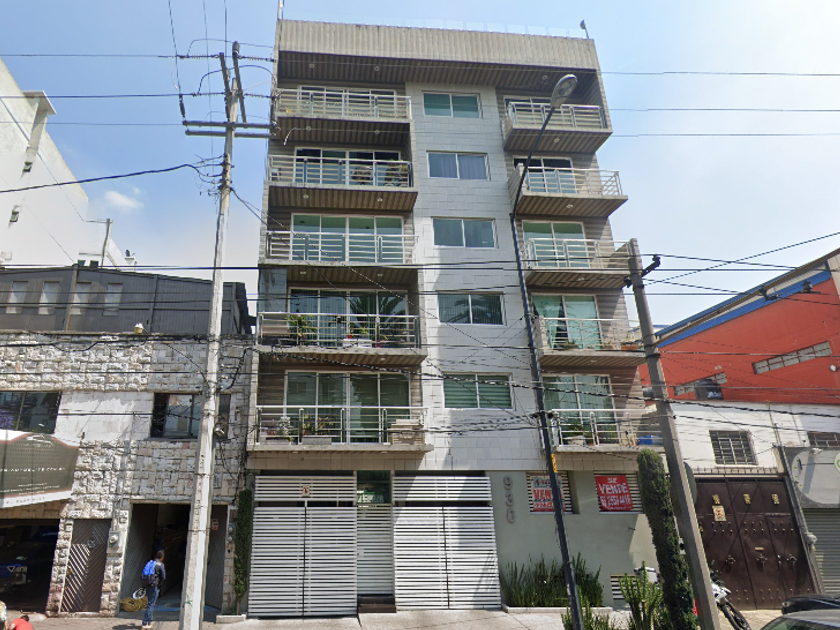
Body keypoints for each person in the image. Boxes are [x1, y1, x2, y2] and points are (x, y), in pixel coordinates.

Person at [142, 550, 166, 630]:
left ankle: (150, 622)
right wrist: (159, 583)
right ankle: (145, 623)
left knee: (150, 604)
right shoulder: (160, 564)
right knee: (150, 605)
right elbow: (163, 576)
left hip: (148, 585)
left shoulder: (150, 562)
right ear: (162, 557)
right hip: (154, 586)